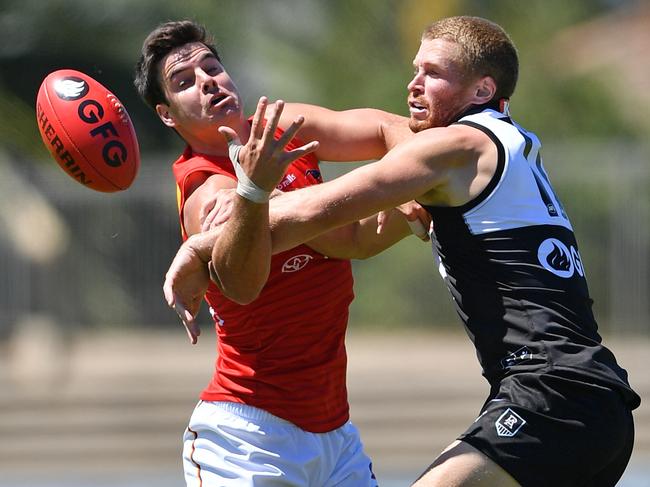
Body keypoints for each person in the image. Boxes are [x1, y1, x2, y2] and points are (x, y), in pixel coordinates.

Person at [165, 15, 641, 487]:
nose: (413, 85)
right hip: (600, 403)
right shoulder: (510, 143)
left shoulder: (452, 148)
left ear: (481, 91)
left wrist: (202, 245)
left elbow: (321, 211)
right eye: (415, 69)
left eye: (432, 73)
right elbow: (341, 231)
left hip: (547, 392)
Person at [134, 19, 428, 487]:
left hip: (336, 436)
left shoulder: (283, 126)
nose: (207, 81)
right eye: (184, 82)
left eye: (212, 67)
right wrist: (405, 187)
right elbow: (246, 285)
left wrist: (421, 176)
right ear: (168, 115)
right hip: (247, 439)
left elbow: (384, 127)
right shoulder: (207, 191)